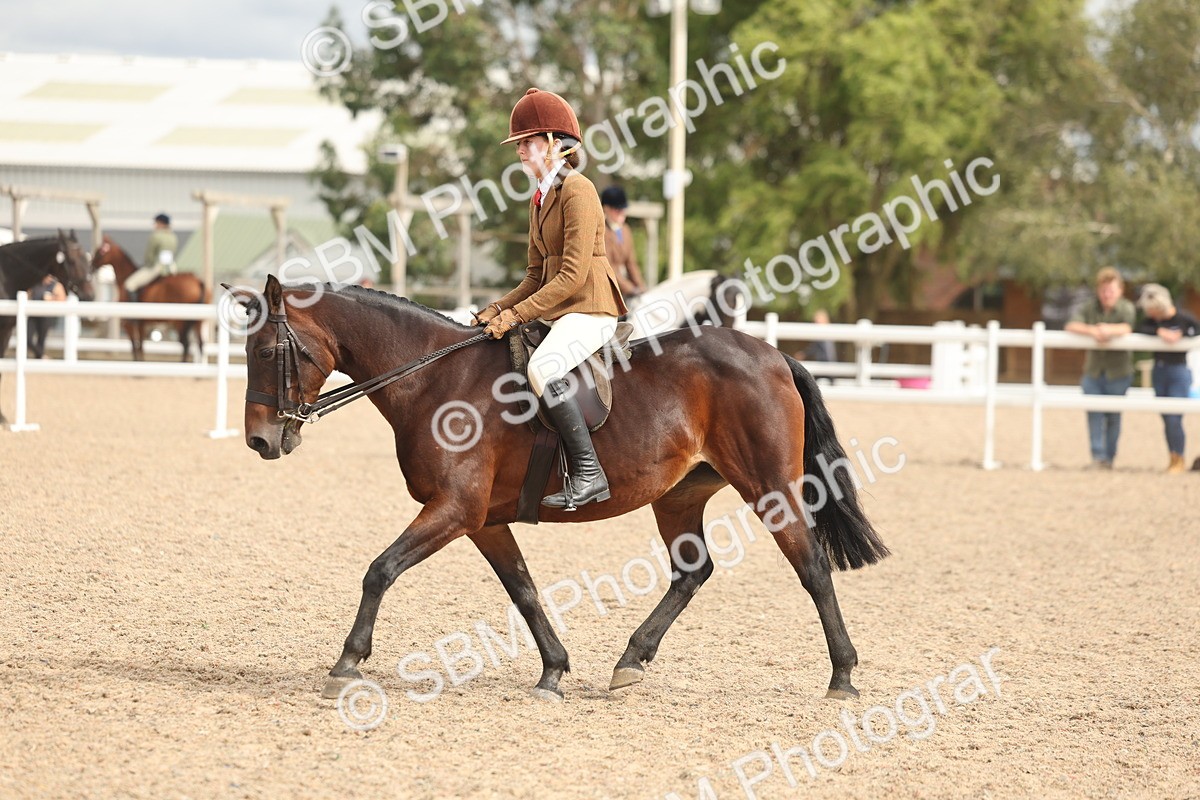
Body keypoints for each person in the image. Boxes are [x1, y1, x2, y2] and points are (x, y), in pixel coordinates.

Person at [475, 87, 628, 510]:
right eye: (519, 144)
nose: (520, 151)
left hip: (590, 308)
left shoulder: (578, 191)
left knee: (543, 368)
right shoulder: (540, 196)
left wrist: (515, 315)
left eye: (528, 142)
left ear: (557, 144)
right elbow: (534, 275)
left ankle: (589, 473)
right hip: (562, 308)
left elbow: (572, 274)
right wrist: (497, 309)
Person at [1065, 267, 1135, 469]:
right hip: (1094, 370)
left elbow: (1127, 327)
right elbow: (1071, 324)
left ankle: (1109, 458)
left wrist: (1108, 330)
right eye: (1104, 290)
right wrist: (1092, 331)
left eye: (1111, 291)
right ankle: (1098, 457)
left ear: (1120, 290)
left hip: (1118, 372)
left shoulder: (1125, 308)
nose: (1107, 295)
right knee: (1093, 413)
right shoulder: (1090, 307)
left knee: (1113, 416)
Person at [1136, 283, 1198, 474]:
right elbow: (1139, 328)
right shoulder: (1154, 323)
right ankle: (1173, 457)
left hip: (1178, 371)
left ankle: (1178, 457)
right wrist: (1159, 332)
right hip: (1160, 372)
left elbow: (1195, 330)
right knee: (1166, 417)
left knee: (1174, 417)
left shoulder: (1183, 318)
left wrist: (1182, 335)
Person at [599, 185, 646, 301]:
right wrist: (630, 289)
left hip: (624, 283)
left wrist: (641, 287)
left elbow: (631, 263)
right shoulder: (601, 231)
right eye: (617, 210)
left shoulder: (626, 230)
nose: (622, 213)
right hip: (608, 284)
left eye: (623, 209)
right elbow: (609, 266)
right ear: (606, 209)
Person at [124, 213, 178, 301]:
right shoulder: (173, 237)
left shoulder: (156, 236)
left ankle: (133, 309)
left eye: (156, 223)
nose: (155, 225)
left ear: (161, 223)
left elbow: (149, 255)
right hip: (171, 267)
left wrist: (146, 264)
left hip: (157, 267)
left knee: (130, 284)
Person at [27, 274, 66, 359]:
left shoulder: (56, 285)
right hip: (33, 315)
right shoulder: (35, 284)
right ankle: (41, 355)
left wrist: (51, 299)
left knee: (41, 340)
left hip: (46, 317)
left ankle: (39, 359)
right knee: (28, 338)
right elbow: (28, 295)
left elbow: (63, 299)